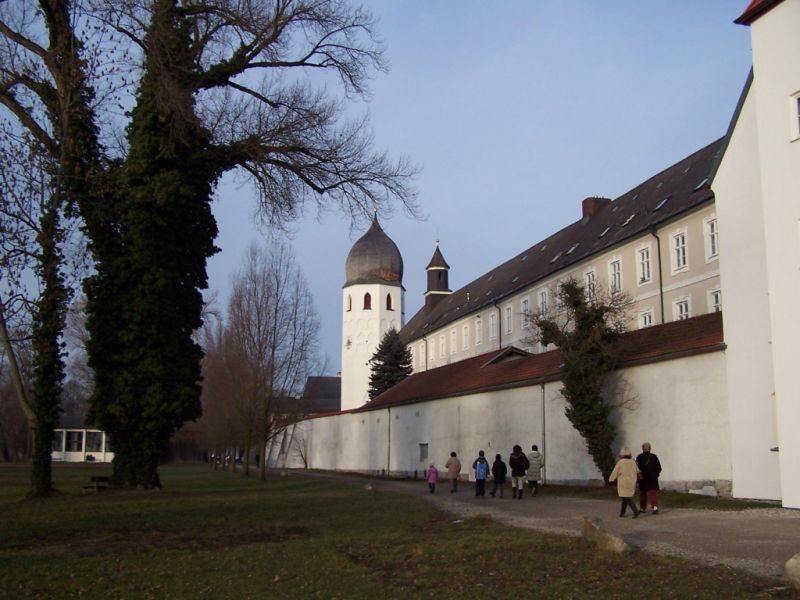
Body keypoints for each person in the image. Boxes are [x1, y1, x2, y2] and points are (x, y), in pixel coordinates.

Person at [609, 447, 640, 518]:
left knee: (627, 498)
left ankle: (636, 511)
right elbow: (638, 471)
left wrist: (611, 480)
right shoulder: (633, 462)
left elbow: (615, 472)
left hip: (623, 482)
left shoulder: (621, 462)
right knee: (625, 498)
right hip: (632, 482)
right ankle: (622, 513)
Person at [636, 442, 663, 514]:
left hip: (643, 478)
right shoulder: (654, 457)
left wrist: (639, 476)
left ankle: (642, 508)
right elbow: (659, 468)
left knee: (643, 493)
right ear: (650, 448)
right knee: (653, 493)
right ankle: (655, 507)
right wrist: (656, 475)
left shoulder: (639, 457)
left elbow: (637, 468)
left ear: (642, 448)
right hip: (653, 478)